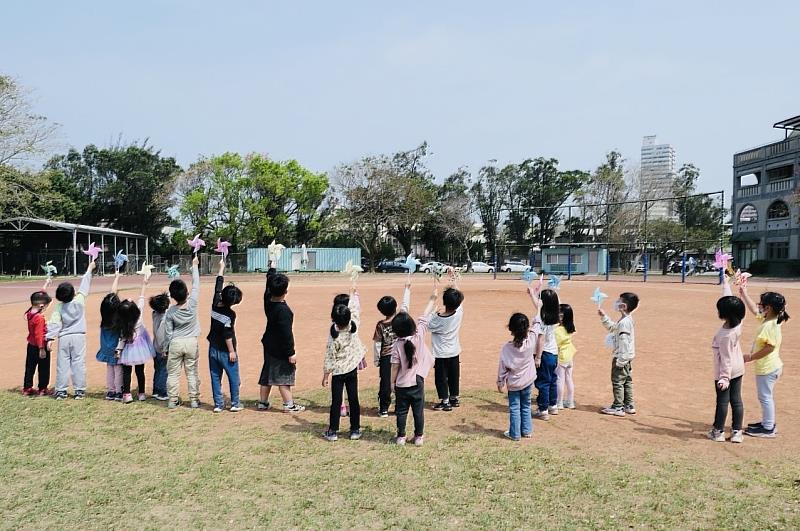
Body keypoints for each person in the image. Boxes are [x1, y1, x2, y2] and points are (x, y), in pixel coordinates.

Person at [739, 286, 789, 438]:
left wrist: (750, 357)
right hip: (771, 367)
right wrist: (744, 293)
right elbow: (754, 310)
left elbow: (770, 347)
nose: (758, 305)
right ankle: (767, 422)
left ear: (768, 308)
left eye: (761, 304)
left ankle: (768, 428)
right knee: (765, 396)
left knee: (765, 397)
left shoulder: (768, 326)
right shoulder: (771, 319)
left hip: (767, 369)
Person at [390, 283, 437, 446]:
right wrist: (432, 298)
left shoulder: (396, 345)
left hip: (402, 384)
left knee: (401, 411)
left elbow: (395, 367)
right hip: (417, 381)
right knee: (418, 411)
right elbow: (425, 315)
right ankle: (419, 437)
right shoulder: (418, 336)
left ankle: (401, 436)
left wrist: (391, 383)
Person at [322, 286, 367, 441]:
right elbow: (355, 310)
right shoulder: (353, 326)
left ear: (333, 318)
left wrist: (326, 375)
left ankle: (333, 431)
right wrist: (354, 294)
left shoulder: (333, 335)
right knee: (353, 399)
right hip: (352, 370)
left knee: (336, 401)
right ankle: (355, 430)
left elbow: (330, 356)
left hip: (339, 372)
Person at [46, 259, 95, 400]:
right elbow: (85, 285)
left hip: (64, 337)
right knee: (78, 362)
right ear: (73, 293)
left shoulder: (59, 307)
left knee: (62, 364)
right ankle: (79, 390)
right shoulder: (79, 301)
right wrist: (90, 268)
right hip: (79, 336)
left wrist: (50, 338)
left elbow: (54, 323)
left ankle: (61, 390)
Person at [259, 270, 305, 412]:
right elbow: (287, 334)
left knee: (268, 373)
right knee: (283, 377)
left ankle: (263, 402)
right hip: (280, 348)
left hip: (269, 344)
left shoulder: (268, 302)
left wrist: (271, 272)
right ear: (285, 291)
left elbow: (268, 289)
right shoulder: (283, 311)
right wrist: (291, 352)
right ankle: (289, 404)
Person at [708, 276, 746, 443]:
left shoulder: (725, 336)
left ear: (725, 314)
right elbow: (730, 301)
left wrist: (724, 378)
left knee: (723, 402)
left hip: (726, 371)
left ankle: (718, 431)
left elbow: (726, 359)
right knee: (736, 400)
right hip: (738, 368)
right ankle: (737, 431)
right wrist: (726, 283)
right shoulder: (738, 323)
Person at [164, 255, 201, 409]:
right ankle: (193, 400)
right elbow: (196, 285)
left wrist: (166, 348)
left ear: (172, 296)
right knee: (192, 372)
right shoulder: (192, 304)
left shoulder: (171, 311)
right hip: (191, 341)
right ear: (187, 293)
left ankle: (173, 400)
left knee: (173, 374)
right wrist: (195, 267)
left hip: (176, 343)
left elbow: (168, 332)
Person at [207, 258, 244, 413]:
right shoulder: (230, 314)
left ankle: (218, 404)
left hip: (212, 348)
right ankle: (235, 403)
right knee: (233, 377)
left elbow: (218, 287)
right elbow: (227, 334)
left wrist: (221, 268)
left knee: (215, 377)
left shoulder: (215, 303)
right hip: (225, 350)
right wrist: (231, 351)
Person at [114, 276, 156, 403]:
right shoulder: (139, 319)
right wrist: (144, 283)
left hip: (128, 350)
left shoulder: (124, 325)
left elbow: (121, 340)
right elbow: (142, 299)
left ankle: (127, 394)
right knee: (140, 371)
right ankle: (141, 393)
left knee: (127, 372)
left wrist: (118, 350)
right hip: (141, 348)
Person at [598, 292, 639, 417]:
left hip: (621, 357)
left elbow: (624, 342)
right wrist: (604, 316)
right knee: (626, 381)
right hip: (626, 358)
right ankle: (629, 405)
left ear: (624, 306)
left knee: (617, 381)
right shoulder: (625, 320)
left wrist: (620, 360)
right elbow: (613, 328)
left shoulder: (624, 323)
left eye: (619, 301)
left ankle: (618, 407)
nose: (616, 302)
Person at [497, 313, 536, 441]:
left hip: (514, 384)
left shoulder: (507, 348)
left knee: (515, 407)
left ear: (510, 329)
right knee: (526, 405)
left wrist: (500, 381)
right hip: (528, 382)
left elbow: (502, 367)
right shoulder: (531, 341)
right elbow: (537, 325)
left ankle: (515, 434)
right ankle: (527, 430)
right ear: (526, 328)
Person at [429, 287, 465, 411]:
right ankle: (454, 398)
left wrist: (434, 311)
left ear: (444, 302)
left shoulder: (438, 320)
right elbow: (460, 303)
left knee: (441, 378)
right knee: (454, 375)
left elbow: (427, 324)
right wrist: (454, 280)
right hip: (454, 352)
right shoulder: (458, 314)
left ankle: (445, 401)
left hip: (441, 354)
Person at [530, 288, 560, 420]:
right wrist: (531, 294)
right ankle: (553, 405)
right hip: (553, 353)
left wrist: (538, 357)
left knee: (543, 382)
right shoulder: (553, 315)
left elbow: (540, 339)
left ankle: (543, 410)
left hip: (544, 354)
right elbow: (538, 306)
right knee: (552, 380)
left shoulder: (541, 318)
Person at [23, 279, 53, 396]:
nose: (46, 308)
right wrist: (41, 349)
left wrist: (46, 284)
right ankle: (43, 388)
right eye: (45, 306)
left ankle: (27, 388)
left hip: (31, 345)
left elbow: (39, 296)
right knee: (44, 368)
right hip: (40, 346)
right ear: (41, 305)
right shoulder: (39, 318)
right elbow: (39, 334)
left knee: (30, 367)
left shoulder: (31, 312)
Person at [96, 272, 123, 401]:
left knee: (109, 369)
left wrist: (116, 278)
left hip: (106, 348)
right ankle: (118, 391)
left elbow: (112, 295)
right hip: (116, 348)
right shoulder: (118, 320)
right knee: (118, 369)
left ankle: (111, 391)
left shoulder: (105, 316)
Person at [373, 293, 399, 417]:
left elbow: (378, 343)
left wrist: (377, 359)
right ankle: (400, 406)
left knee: (385, 383)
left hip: (386, 356)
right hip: (400, 355)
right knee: (400, 380)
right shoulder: (400, 320)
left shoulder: (380, 325)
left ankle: (384, 408)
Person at [149, 292, 171, 401]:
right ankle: (162, 392)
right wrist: (165, 350)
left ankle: (156, 390)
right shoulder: (165, 318)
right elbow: (163, 337)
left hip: (155, 347)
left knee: (157, 369)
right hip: (162, 349)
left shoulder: (154, 314)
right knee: (163, 370)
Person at [555, 303, 577, 410]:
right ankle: (570, 401)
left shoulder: (558, 330)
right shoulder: (570, 327)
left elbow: (556, 344)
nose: (558, 317)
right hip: (570, 355)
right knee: (569, 379)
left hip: (562, 356)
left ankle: (559, 402)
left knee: (559, 379)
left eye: (560, 315)